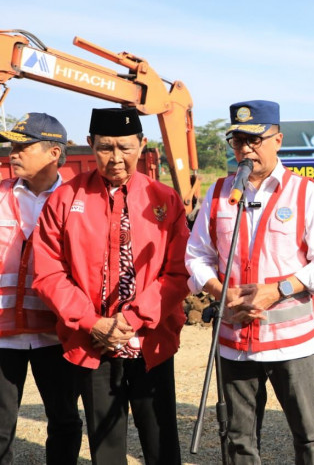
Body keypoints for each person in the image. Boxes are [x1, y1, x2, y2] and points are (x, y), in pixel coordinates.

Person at [185, 100, 314, 464]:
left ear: (278, 140)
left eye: (255, 140)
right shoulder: (219, 193)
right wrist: (219, 292)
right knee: (238, 440)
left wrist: (278, 290)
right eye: (238, 141)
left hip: (290, 344)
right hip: (234, 340)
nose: (245, 149)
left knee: (306, 436)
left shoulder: (303, 192)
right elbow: (196, 256)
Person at [32, 107, 190, 465]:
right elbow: (48, 272)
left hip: (151, 339)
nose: (116, 158)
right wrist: (93, 323)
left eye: (125, 147)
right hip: (93, 341)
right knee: (106, 448)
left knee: (161, 441)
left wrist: (134, 318)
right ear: (90, 145)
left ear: (142, 144)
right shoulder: (65, 199)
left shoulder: (164, 199)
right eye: (105, 148)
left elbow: (178, 272)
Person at [0, 113, 82, 464]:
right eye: (11, 146)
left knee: (63, 419)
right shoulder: (1, 196)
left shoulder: (77, 201)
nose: (12, 153)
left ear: (53, 152)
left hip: (56, 333)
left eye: (23, 146)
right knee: (0, 426)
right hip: (3, 334)